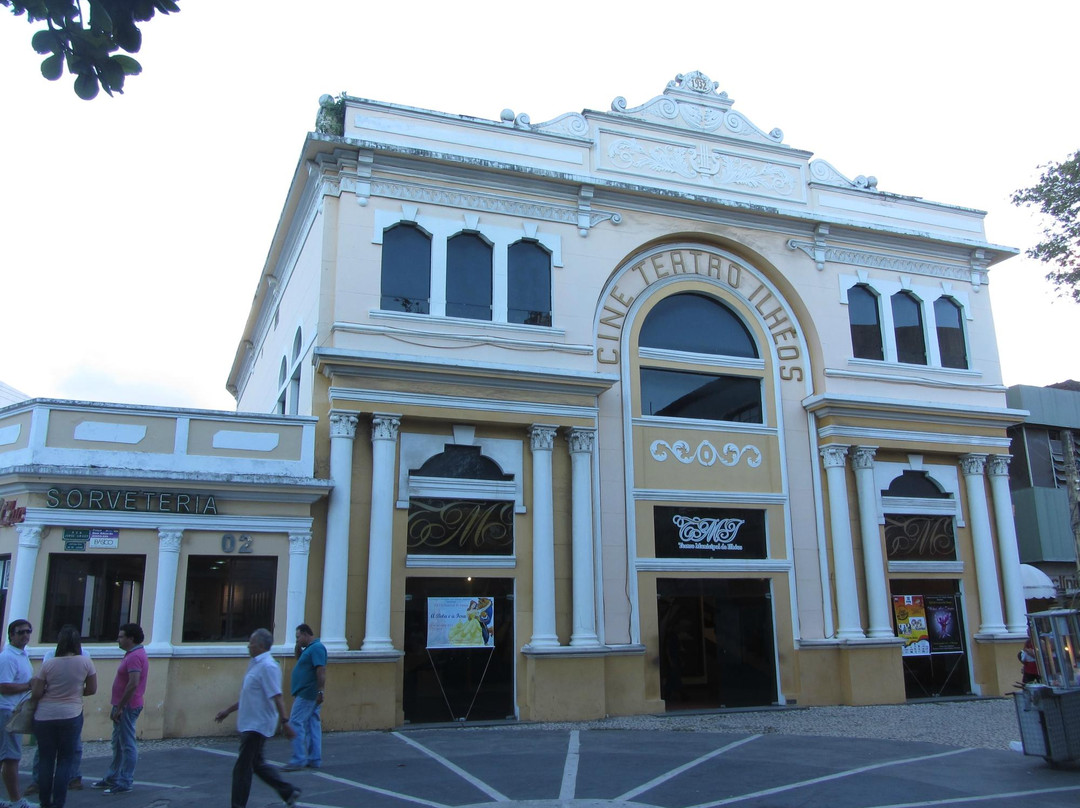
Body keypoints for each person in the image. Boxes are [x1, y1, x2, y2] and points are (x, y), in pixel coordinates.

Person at [215, 629, 301, 808]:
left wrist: (285, 722)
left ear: (261, 646)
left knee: (242, 768)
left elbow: (277, 696)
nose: (249, 646)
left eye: (252, 643)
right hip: (249, 722)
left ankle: (238, 805)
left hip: (257, 724)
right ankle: (288, 791)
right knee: (257, 764)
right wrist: (228, 710)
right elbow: (248, 695)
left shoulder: (268, 666)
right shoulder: (255, 664)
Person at [31, 625, 97, 808]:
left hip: (45, 715)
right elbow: (92, 689)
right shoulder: (85, 662)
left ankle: (44, 801)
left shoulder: (49, 663)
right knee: (65, 760)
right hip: (71, 713)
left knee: (46, 759)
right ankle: (59, 802)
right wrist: (75, 692)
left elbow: (36, 693)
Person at [91, 623, 148, 795]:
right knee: (118, 742)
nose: (118, 639)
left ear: (131, 638)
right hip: (122, 705)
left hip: (128, 706)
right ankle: (113, 776)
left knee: (127, 743)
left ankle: (125, 781)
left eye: (121, 636)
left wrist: (121, 707)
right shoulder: (131, 654)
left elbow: (133, 683)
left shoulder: (134, 656)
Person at [0, 619, 35, 808]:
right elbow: (3, 686)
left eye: (28, 631)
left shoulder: (22, 655)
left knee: (7, 755)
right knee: (10, 757)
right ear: (11, 635)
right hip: (7, 710)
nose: (25, 635)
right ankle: (16, 800)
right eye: (21, 632)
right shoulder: (8, 658)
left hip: (15, 709)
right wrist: (28, 686)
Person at [283, 623, 326, 771]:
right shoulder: (309, 649)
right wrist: (298, 647)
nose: (297, 639)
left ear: (306, 634)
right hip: (307, 693)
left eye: (298, 637)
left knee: (295, 722)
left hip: (307, 693)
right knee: (312, 724)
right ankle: (314, 759)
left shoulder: (317, 648)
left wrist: (320, 691)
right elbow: (300, 661)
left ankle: (298, 758)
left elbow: (321, 670)